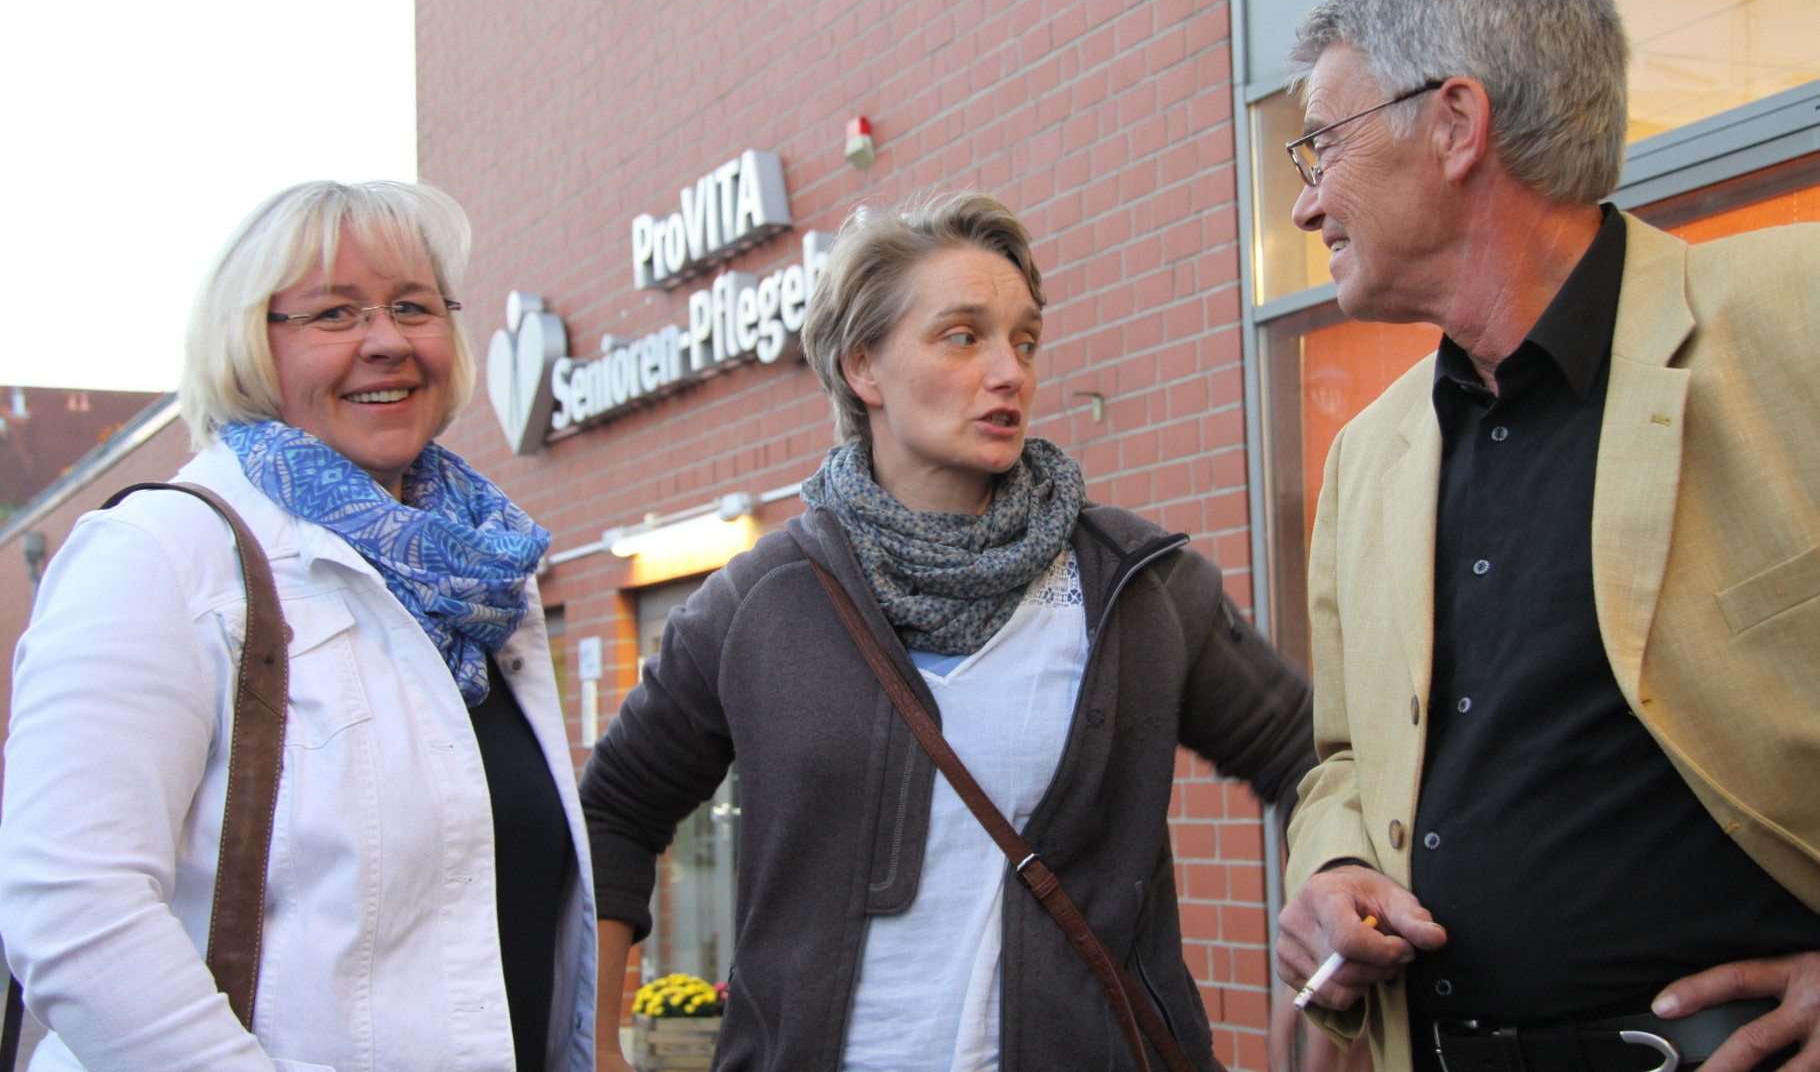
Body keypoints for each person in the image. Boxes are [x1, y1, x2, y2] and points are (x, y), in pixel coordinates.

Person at [580, 191, 1314, 1072]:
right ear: (864, 367)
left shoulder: (1132, 583)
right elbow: (613, 808)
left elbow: (1309, 756)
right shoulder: (762, 602)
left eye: (1025, 339)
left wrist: (1331, 932)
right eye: (963, 336)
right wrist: (595, 1043)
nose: (1009, 370)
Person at [1273, 0, 1820, 1072]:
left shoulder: (1792, 317)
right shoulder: (1367, 458)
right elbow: (1338, 759)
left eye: (1321, 143)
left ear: (1454, 123)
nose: (1303, 201)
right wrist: (1326, 869)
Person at [0, 181, 596, 1070]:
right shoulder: (161, 555)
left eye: (411, 306)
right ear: (248, 343)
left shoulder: (480, 576)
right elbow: (73, 912)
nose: (385, 340)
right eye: (332, 313)